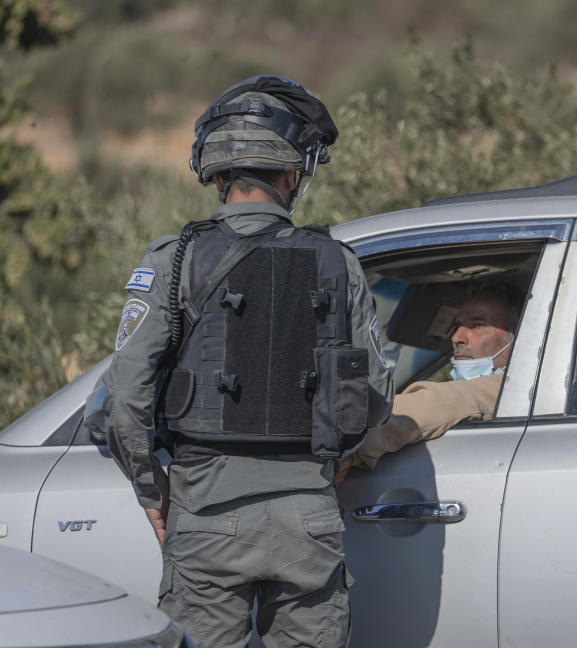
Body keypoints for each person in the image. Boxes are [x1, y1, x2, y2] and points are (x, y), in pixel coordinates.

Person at [102, 76, 393, 648]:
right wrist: (332, 465)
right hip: (309, 520)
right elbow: (375, 394)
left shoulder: (173, 258)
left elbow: (125, 400)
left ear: (215, 175)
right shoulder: (339, 262)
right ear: (291, 176)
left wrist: (152, 494)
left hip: (205, 513)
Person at [336, 282, 520, 482]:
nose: (457, 337)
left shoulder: (512, 388)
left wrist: (345, 437)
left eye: (478, 325)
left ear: (519, 337)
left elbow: (445, 401)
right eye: (458, 325)